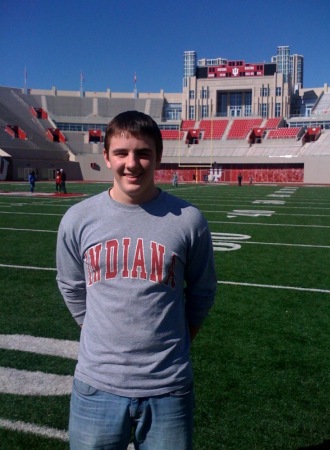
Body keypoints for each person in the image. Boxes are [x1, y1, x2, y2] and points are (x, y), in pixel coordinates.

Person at [56, 110, 217, 450]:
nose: (132, 163)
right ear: (106, 157)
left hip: (168, 386)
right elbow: (71, 287)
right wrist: (96, 331)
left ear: (158, 157)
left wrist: (179, 340)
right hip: (97, 385)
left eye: (143, 153)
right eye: (122, 153)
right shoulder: (78, 219)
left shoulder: (189, 220)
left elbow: (202, 293)